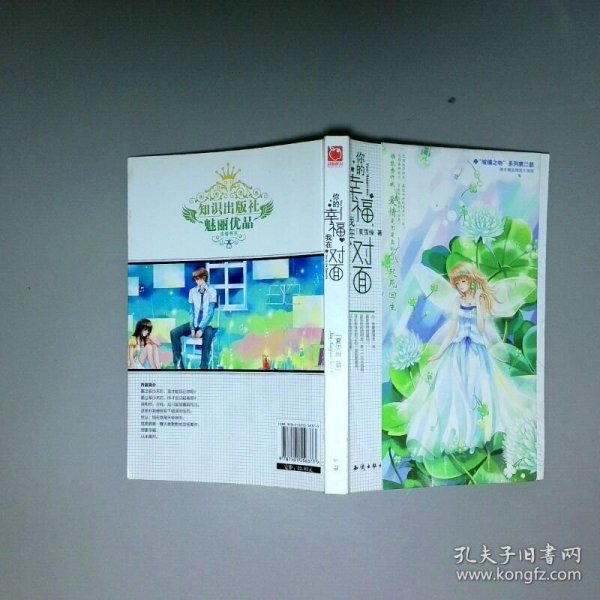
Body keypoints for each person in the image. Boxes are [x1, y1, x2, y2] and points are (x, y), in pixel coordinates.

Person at [399, 263, 534, 460]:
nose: (461, 286)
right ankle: (457, 434)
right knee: (454, 391)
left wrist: (479, 303)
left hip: (478, 351)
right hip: (457, 350)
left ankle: (480, 435)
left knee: (480, 390)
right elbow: (452, 330)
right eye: (458, 283)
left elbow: (481, 327)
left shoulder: (481, 299)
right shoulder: (456, 302)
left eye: (463, 281)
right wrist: (439, 353)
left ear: (471, 280)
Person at [170, 267, 217, 369]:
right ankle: (178, 365)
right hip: (194, 323)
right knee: (174, 332)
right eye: (195, 279)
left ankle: (204, 367)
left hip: (205, 325)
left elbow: (210, 313)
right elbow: (191, 312)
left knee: (208, 333)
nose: (196, 281)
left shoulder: (212, 291)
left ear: (204, 278)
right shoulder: (192, 292)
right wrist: (192, 328)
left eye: (198, 279)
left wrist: (201, 329)